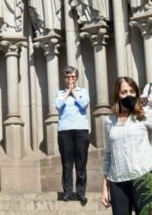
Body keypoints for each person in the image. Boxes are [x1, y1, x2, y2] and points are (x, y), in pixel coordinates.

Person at [101, 76, 152, 215]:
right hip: (118, 181)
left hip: (143, 178)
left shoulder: (144, 113)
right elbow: (108, 155)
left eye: (131, 91)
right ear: (117, 94)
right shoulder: (109, 121)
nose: (128, 95)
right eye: (124, 92)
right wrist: (105, 187)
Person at [54, 66, 90, 204]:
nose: (70, 79)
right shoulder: (60, 93)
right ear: (64, 79)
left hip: (81, 129)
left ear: (77, 78)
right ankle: (67, 192)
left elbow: (83, 104)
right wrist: (67, 91)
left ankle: (81, 193)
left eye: (73, 77)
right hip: (64, 130)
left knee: (81, 163)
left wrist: (73, 92)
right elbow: (58, 105)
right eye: (68, 77)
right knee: (67, 163)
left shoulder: (83, 92)